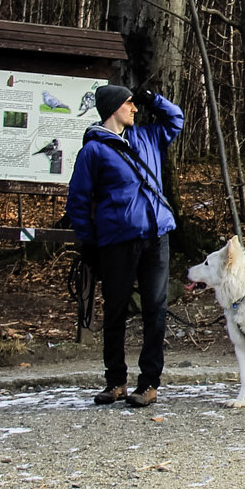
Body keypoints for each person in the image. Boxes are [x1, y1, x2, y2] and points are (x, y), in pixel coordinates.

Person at [66, 83, 184, 407]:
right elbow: (77, 200)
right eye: (130, 103)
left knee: (155, 311)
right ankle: (115, 381)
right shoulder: (93, 150)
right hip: (117, 241)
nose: (135, 109)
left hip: (157, 235)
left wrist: (154, 99)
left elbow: (176, 119)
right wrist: (89, 243)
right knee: (116, 310)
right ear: (114, 108)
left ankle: (149, 383)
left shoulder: (147, 137)